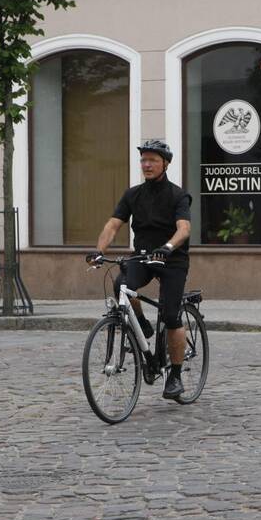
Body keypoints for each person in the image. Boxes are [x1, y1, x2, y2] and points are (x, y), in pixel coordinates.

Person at [86, 139, 192, 401]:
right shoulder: (132, 194)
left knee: (170, 316)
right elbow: (112, 226)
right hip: (143, 257)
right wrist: (99, 251)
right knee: (121, 285)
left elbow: (184, 229)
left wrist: (168, 246)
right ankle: (142, 325)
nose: (146, 164)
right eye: (143, 160)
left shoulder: (178, 195)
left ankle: (175, 376)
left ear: (165, 164)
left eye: (152, 160)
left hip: (172, 260)